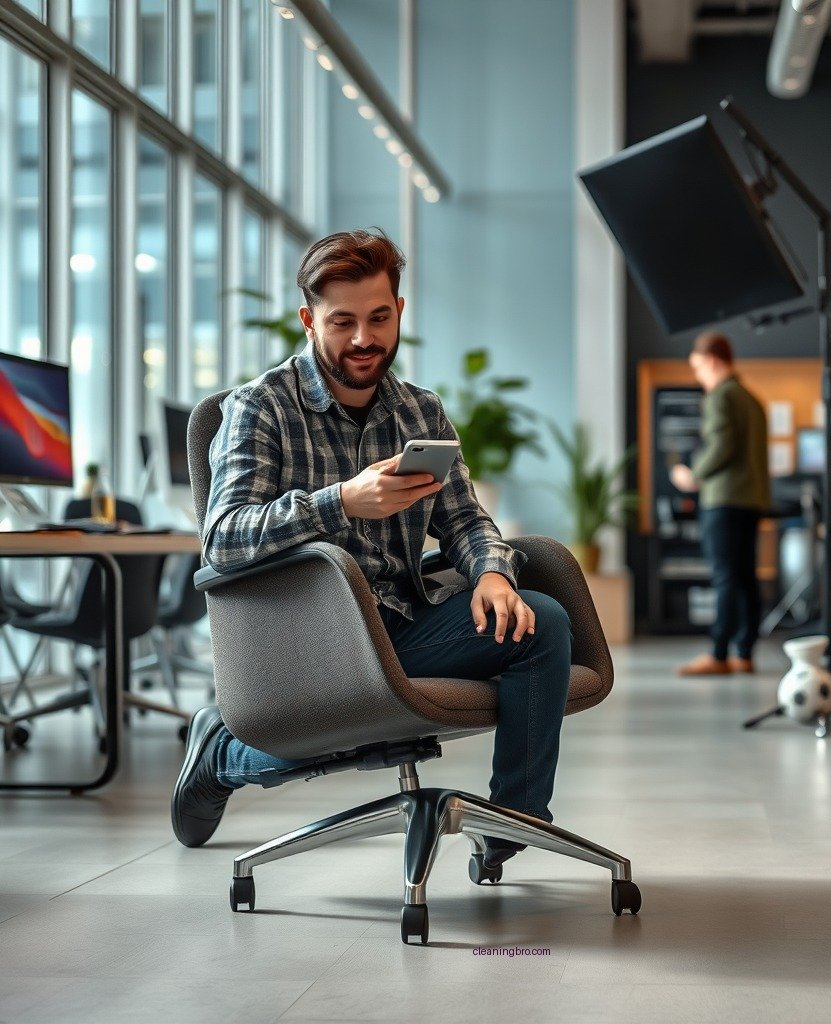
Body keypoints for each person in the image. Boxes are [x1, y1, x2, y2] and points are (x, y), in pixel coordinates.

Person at [171, 229, 572, 871]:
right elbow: (222, 538)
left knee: (540, 619)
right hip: (309, 640)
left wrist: (493, 574)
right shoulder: (259, 410)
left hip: (401, 626)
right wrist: (341, 502)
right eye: (343, 322)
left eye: (379, 318)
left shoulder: (420, 412)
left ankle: (511, 825)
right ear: (308, 320)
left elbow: (466, 519)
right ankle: (220, 753)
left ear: (400, 312)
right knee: (323, 738)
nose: (364, 339)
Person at [670, 332, 769, 676]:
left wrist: (692, 475)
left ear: (711, 361)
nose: (698, 376)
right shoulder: (752, 401)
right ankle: (744, 652)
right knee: (745, 578)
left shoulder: (720, 397)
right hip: (751, 501)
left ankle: (718, 653)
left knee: (725, 577)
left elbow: (721, 446)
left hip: (723, 500)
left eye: (698, 368)